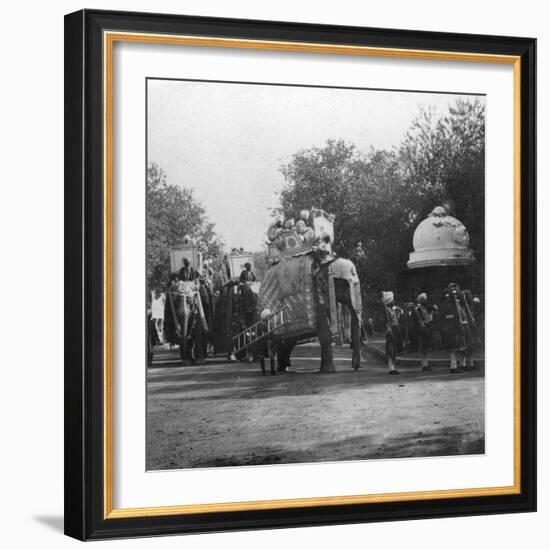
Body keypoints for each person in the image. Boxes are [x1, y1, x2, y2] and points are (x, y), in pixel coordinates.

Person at [440, 282, 476, 373]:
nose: (454, 291)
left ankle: (462, 364)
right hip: (452, 327)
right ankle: (453, 366)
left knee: (462, 346)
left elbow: (463, 311)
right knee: (454, 348)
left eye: (455, 289)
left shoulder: (458, 302)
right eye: (452, 289)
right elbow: (448, 316)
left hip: (461, 325)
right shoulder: (448, 302)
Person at [382, 291, 403, 375]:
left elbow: (395, 319)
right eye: (392, 300)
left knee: (394, 349)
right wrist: (389, 330)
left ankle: (393, 367)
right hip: (390, 330)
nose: (394, 302)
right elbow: (386, 322)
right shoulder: (386, 310)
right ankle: (391, 368)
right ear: (389, 301)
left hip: (395, 329)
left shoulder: (392, 309)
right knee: (391, 349)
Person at [412, 292, 434, 371]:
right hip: (421, 329)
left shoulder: (427, 308)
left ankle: (426, 364)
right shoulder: (417, 309)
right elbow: (416, 320)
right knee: (423, 348)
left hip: (427, 327)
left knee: (426, 348)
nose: (426, 301)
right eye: (424, 300)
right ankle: (424, 364)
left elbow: (430, 317)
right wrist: (420, 325)